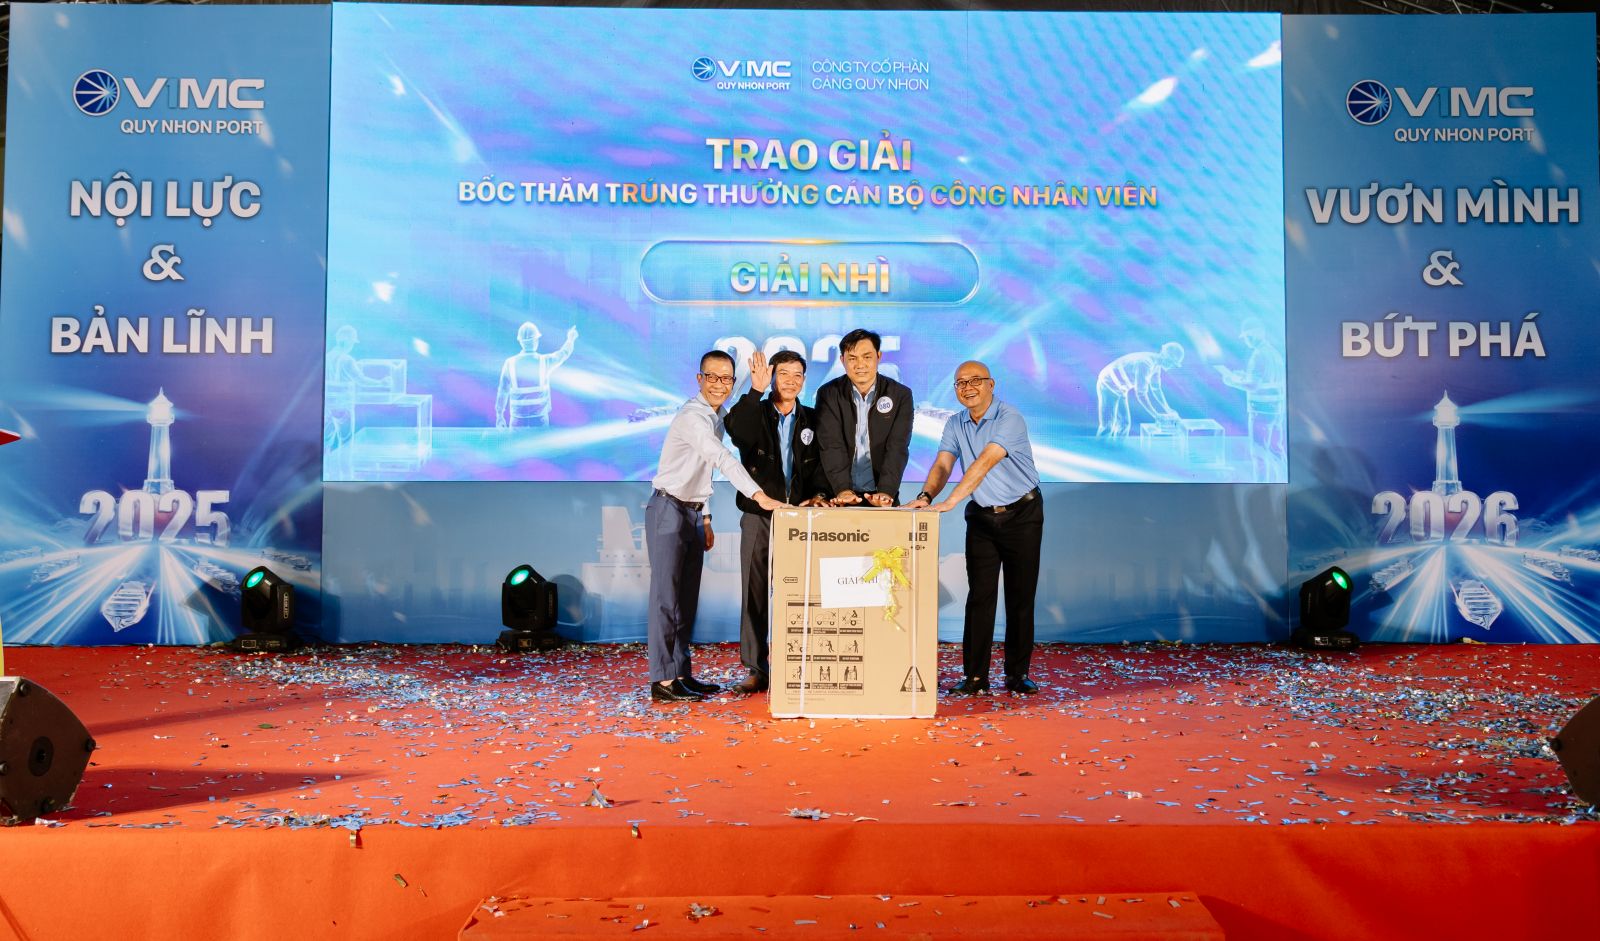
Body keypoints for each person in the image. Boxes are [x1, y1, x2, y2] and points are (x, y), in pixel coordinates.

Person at [647, 350, 784, 703]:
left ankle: (681, 674)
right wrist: (758, 494)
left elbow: (702, 470)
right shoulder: (693, 417)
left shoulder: (716, 416)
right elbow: (721, 459)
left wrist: (705, 517)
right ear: (699, 379)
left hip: (692, 512)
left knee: (685, 601)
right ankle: (663, 680)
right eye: (712, 377)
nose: (719, 385)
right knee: (666, 599)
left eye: (726, 378)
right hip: (668, 508)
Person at [906, 361, 1042, 695]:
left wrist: (951, 501)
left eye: (975, 380)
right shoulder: (955, 423)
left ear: (991, 384)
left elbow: (985, 462)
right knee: (980, 597)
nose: (968, 387)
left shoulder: (1010, 418)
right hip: (982, 516)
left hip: (1022, 513)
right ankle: (975, 677)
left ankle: (1017, 674)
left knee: (1020, 596)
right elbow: (943, 463)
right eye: (960, 383)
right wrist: (926, 496)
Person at [724, 350, 831, 694]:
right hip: (759, 516)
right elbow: (735, 430)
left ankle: (796, 663)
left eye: (797, 375)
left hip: (800, 518)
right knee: (754, 593)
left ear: (804, 380)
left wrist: (818, 494)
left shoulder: (813, 418)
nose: (790, 381)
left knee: (799, 593)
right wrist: (755, 390)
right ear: (772, 377)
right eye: (783, 373)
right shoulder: (755, 412)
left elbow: (823, 466)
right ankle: (756, 668)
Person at [814, 329, 914, 506]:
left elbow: (897, 447)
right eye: (852, 358)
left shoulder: (900, 395)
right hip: (838, 495)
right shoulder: (828, 394)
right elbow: (831, 445)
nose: (860, 364)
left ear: (878, 356)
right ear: (842, 360)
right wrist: (843, 489)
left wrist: (886, 491)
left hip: (881, 495)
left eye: (867, 357)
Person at [1217, 318, 1285, 481]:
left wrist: (1231, 381)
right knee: (1276, 450)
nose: (1246, 341)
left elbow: (1253, 386)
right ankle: (1282, 483)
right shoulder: (1273, 353)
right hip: (1276, 409)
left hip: (1260, 410)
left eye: (1247, 337)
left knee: (1259, 453)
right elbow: (1266, 380)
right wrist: (1244, 376)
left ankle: (1262, 487)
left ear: (1254, 335)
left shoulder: (1259, 355)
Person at [495, 321, 578, 428]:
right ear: (536, 340)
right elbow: (563, 353)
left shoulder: (509, 363)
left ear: (520, 341)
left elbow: (503, 391)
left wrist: (499, 415)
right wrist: (570, 339)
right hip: (540, 420)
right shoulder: (545, 361)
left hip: (518, 421)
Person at [1095, 342, 1183, 437]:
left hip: (1121, 389)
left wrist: (1168, 409)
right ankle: (1101, 445)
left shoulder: (1156, 366)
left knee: (1124, 424)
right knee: (1107, 426)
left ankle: (1118, 446)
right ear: (1166, 356)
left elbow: (1156, 389)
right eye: (1172, 362)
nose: (1172, 366)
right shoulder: (1145, 363)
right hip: (1107, 384)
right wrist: (1156, 415)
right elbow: (1141, 394)